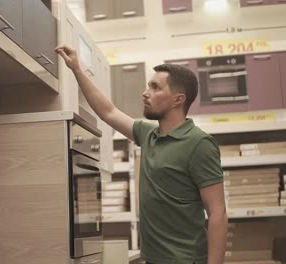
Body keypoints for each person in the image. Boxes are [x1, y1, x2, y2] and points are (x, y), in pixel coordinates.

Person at [56, 45, 228, 264]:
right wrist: (77, 69)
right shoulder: (148, 134)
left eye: (155, 87)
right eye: (149, 86)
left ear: (178, 99)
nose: (146, 93)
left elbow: (218, 213)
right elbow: (108, 111)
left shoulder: (199, 143)